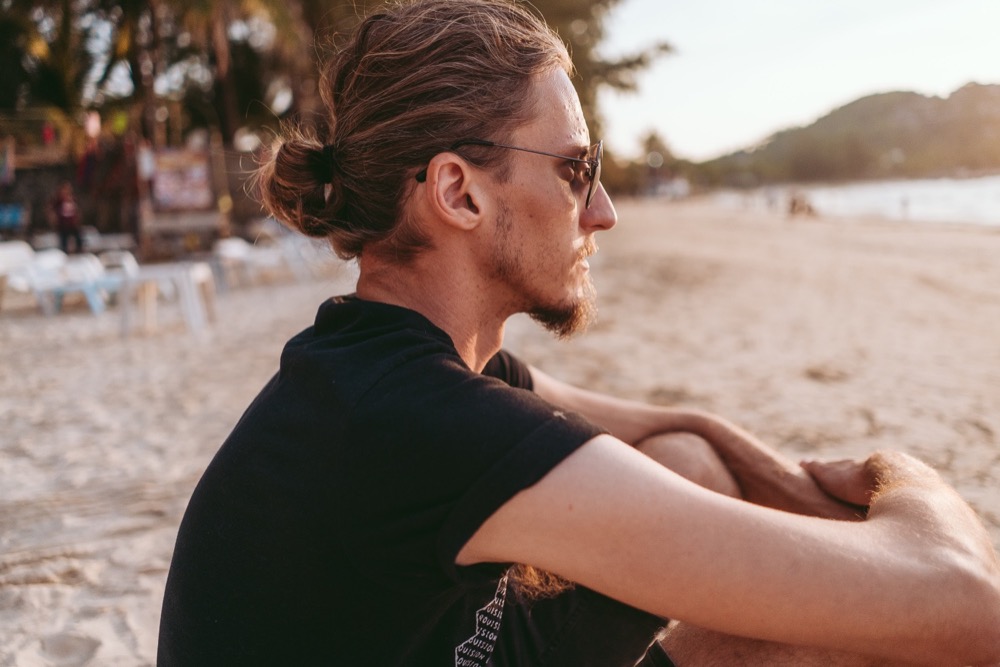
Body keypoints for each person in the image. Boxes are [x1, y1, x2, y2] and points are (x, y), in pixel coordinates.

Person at [157, 1, 1000, 665]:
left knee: (687, 458)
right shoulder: (420, 421)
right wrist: (903, 478)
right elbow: (966, 602)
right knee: (863, 636)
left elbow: (672, 434)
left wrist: (722, 435)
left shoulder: (388, 365)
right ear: (459, 192)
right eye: (575, 170)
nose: (604, 211)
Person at [51, 181, 83, 254]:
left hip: (72, 223)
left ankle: (79, 249)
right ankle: (64, 251)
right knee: (64, 239)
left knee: (77, 236)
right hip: (63, 223)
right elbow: (52, 208)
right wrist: (54, 218)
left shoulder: (73, 199)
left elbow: (76, 209)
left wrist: (78, 218)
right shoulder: (58, 200)